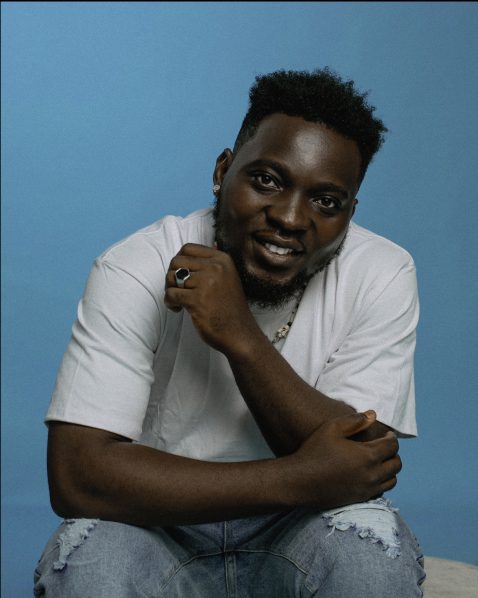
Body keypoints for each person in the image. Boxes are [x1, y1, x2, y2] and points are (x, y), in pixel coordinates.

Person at [34, 68, 425, 596]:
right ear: (223, 170)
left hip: (304, 528)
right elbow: (78, 476)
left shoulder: (382, 272)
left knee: (370, 561)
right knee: (91, 564)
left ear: (350, 213)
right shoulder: (136, 265)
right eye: (267, 180)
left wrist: (239, 334)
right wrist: (300, 478)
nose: (290, 218)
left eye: (326, 202)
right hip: (153, 523)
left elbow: (360, 467)